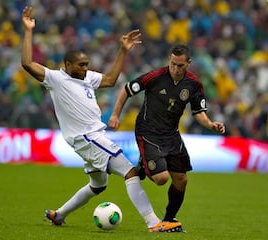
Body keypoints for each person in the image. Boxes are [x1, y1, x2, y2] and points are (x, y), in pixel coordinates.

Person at [20, 6, 183, 232]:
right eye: (81, 65)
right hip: (88, 137)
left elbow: (109, 80)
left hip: (88, 138)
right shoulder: (55, 78)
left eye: (87, 64)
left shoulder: (87, 78)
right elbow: (27, 64)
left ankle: (59, 215)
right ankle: (154, 223)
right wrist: (28, 31)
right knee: (131, 173)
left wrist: (122, 51)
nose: (86, 68)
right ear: (67, 65)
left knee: (98, 185)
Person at [109, 44, 226, 228]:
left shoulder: (194, 84)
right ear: (169, 61)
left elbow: (198, 112)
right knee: (161, 179)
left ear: (188, 63)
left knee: (182, 180)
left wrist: (210, 124)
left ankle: (169, 219)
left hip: (171, 135)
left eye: (180, 65)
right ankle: (143, 162)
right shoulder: (155, 77)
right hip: (148, 131)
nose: (175, 69)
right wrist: (115, 115)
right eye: (172, 64)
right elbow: (127, 89)